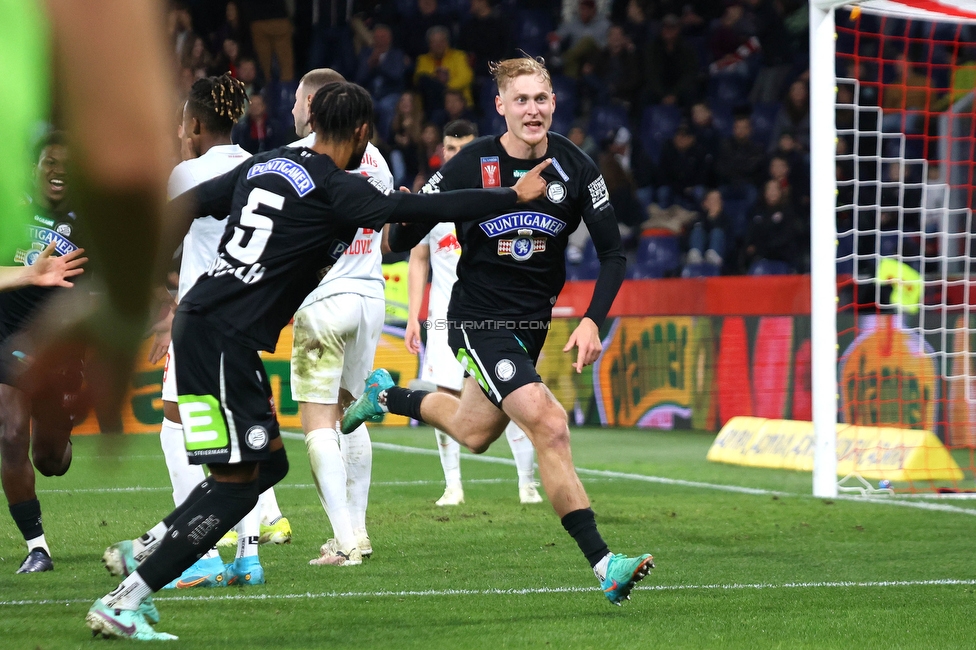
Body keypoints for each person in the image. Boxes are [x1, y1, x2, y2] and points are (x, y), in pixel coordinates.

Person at [86, 81, 552, 640]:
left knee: (268, 469)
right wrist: (510, 197)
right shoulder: (336, 188)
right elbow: (416, 207)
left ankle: (148, 548)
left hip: (208, 326)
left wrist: (156, 286)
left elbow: (187, 204)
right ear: (361, 133)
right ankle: (126, 598)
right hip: (222, 338)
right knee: (237, 484)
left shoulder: (269, 162)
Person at [344, 56, 654, 606]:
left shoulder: (578, 168)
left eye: (541, 99)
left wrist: (591, 320)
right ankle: (605, 563)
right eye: (521, 100)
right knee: (550, 424)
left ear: (553, 104)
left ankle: (383, 394)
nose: (532, 110)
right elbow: (399, 236)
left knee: (474, 431)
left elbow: (613, 253)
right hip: (478, 321)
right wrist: (400, 214)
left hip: (529, 329)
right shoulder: (472, 164)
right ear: (501, 106)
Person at [141, 74, 288, 590]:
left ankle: (198, 557)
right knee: (237, 442)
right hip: (246, 319)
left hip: (201, 319)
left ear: (195, 124)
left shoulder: (185, 174)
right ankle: (247, 557)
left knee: (177, 430)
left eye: (184, 121)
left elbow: (168, 242)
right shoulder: (260, 168)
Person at [288, 68, 395, 566]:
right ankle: (360, 531)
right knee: (352, 414)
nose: (292, 112)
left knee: (317, 421)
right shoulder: (378, 161)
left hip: (327, 299)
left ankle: (344, 539)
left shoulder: (304, 160)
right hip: (371, 296)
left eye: (296, 103)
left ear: (312, 106)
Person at [403, 120, 541, 507]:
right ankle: (453, 485)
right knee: (446, 394)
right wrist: (415, 316)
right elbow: (417, 260)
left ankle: (527, 482)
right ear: (441, 151)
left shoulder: (501, 197)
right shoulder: (433, 199)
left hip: (495, 313)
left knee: (514, 394)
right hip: (446, 317)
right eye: (450, 148)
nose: (455, 155)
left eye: (463, 148)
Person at [0, 133, 89, 574]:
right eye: (49, 162)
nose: (58, 171)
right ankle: (37, 547)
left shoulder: (93, 225)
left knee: (50, 461)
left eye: (67, 164)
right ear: (34, 169)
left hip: (62, 350)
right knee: (10, 433)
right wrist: (28, 275)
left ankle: (60, 438)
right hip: (8, 338)